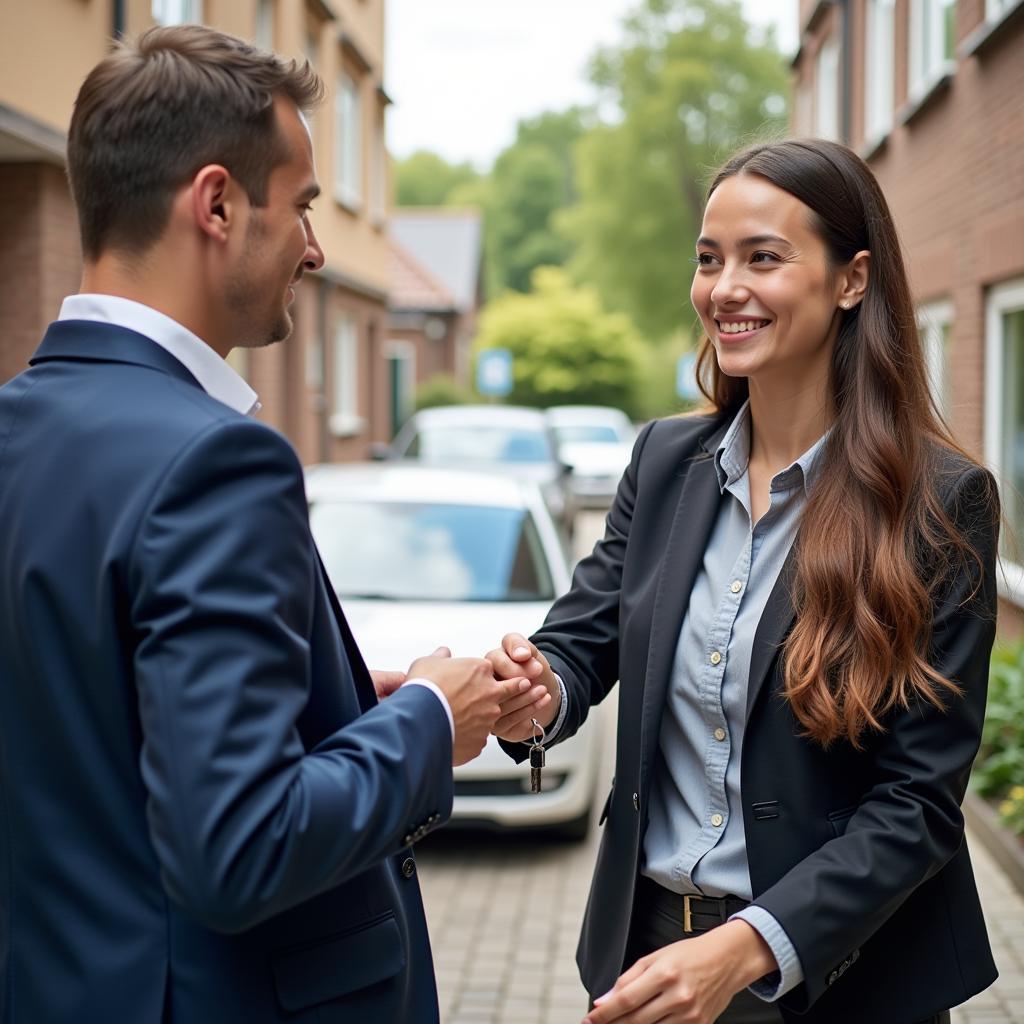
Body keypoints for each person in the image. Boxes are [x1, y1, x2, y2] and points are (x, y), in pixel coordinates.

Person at [0, 26, 544, 1023]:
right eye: (298, 205)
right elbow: (239, 844)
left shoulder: (17, 426)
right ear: (215, 205)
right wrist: (427, 720)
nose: (315, 246)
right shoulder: (217, 460)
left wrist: (337, 702)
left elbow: (83, 720)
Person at [488, 138, 1000, 1024]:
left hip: (842, 975)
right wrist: (535, 695)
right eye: (708, 259)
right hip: (647, 951)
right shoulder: (663, 462)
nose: (724, 288)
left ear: (851, 280)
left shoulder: (941, 504)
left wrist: (750, 944)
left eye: (763, 257)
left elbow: (917, 804)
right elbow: (580, 644)